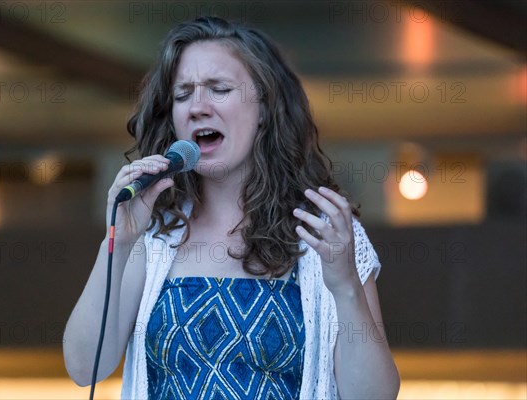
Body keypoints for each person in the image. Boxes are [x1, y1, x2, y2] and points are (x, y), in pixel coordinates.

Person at [63, 16, 400, 400]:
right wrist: (118, 245)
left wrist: (346, 288)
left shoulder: (325, 232)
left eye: (219, 89)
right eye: (182, 94)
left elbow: (374, 396)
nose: (197, 107)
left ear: (264, 110)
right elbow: (83, 367)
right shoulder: (154, 234)